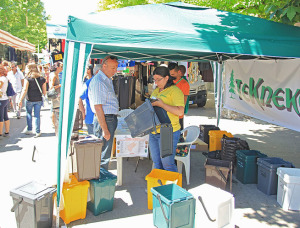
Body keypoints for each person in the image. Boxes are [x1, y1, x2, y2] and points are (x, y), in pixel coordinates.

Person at [149, 66, 184, 172]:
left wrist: (162, 104)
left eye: (158, 79)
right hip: (154, 131)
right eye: (154, 80)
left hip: (168, 131)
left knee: (167, 163)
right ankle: (158, 186)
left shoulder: (175, 91)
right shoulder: (156, 91)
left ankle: (173, 188)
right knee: (156, 162)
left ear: (167, 78)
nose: (156, 82)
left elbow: (180, 111)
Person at [88, 56, 119, 170]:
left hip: (108, 118)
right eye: (113, 68)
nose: (115, 71)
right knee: (104, 154)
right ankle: (100, 181)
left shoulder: (106, 79)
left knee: (105, 152)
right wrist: (105, 129)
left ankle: (101, 178)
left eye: (116, 68)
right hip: (105, 119)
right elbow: (98, 107)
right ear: (104, 66)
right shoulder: (99, 81)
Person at [18, 63, 46, 137]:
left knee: (29, 114)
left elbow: (24, 90)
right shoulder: (42, 78)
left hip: (29, 99)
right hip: (38, 99)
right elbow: (44, 91)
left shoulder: (27, 78)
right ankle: (38, 131)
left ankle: (29, 129)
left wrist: (20, 100)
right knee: (37, 115)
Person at [168, 63, 190, 130]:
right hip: (168, 113)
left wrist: (179, 112)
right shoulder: (169, 81)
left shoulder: (184, 84)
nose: (171, 76)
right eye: (170, 74)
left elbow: (184, 100)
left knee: (177, 135)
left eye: (173, 74)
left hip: (178, 115)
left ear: (179, 72)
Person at [78, 65, 95, 134]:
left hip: (91, 117)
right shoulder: (88, 82)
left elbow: (80, 98)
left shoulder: (89, 82)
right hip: (92, 117)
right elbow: (80, 98)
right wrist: (83, 112)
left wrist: (83, 113)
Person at [49, 61, 62, 129]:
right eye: (61, 67)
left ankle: (55, 122)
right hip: (55, 95)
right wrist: (59, 85)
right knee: (55, 109)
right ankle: (54, 123)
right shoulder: (54, 75)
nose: (62, 68)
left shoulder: (55, 74)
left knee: (55, 109)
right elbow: (51, 87)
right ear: (57, 67)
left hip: (57, 94)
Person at [0, 64, 10, 138]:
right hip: (5, 98)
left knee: (0, 117)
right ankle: (7, 132)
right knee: (5, 116)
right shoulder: (5, 78)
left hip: (1, 99)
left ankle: (0, 133)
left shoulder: (2, 79)